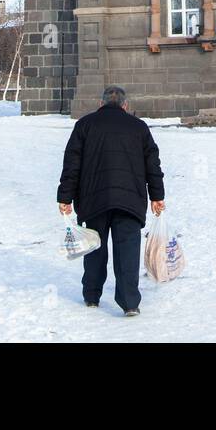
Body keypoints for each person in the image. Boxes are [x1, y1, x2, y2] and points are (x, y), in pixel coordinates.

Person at [57, 85, 165, 316]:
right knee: (127, 251)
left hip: (94, 200)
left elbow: (71, 166)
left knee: (94, 247)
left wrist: (64, 197)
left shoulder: (84, 126)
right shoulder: (139, 127)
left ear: (101, 103)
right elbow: (152, 166)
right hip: (129, 201)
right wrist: (157, 196)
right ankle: (130, 303)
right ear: (125, 106)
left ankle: (92, 296)